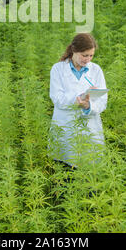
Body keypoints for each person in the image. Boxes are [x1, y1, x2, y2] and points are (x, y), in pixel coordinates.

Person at [48, 33, 108, 169]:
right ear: (74, 51)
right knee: (66, 171)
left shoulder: (96, 70)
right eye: (84, 55)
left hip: (89, 128)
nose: (87, 59)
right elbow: (57, 98)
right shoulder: (57, 69)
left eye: (91, 55)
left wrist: (88, 105)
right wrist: (78, 99)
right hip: (65, 126)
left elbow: (102, 101)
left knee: (89, 174)